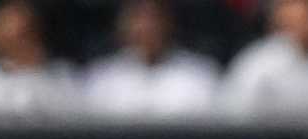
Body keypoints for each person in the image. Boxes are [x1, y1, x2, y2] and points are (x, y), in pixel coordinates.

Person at [82, 0, 221, 118]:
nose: (148, 27)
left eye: (154, 18)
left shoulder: (200, 76)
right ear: (124, 24)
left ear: (169, 22)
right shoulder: (102, 78)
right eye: (138, 18)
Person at [0, 1, 81, 120]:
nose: (19, 45)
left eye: (26, 35)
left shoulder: (60, 75)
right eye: (9, 39)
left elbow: (72, 116)